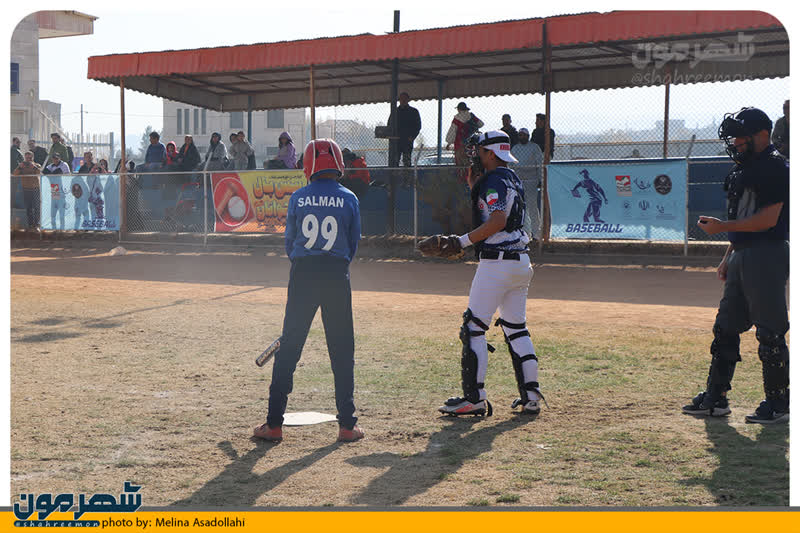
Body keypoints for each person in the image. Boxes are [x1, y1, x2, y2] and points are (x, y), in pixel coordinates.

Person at [253, 138, 364, 443]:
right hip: (336, 274)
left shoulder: (298, 197)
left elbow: (290, 242)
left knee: (289, 347)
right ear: (338, 164)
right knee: (342, 349)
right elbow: (353, 243)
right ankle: (347, 425)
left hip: (303, 273)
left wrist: (305, 264)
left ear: (308, 166)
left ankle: (273, 424)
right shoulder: (349, 198)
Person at [682, 107, 789, 424]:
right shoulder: (747, 167)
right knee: (726, 326)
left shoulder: (775, 167)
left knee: (769, 331)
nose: (736, 143)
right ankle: (716, 398)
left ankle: (779, 403)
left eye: (741, 136)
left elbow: (768, 220)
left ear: (762, 135)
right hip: (743, 252)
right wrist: (729, 255)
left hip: (767, 253)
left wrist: (722, 227)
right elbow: (745, 221)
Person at [436, 131, 543, 417]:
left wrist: (461, 242)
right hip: (520, 262)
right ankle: (531, 397)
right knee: (516, 329)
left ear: (492, 154)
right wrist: (475, 186)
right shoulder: (511, 178)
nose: (476, 155)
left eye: (481, 151)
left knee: (473, 328)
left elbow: (497, 220)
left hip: (497, 264)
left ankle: (474, 399)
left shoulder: (494, 180)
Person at [510, 128, 544, 239]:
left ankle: (536, 233)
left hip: (531, 181)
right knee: (520, 208)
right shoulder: (515, 149)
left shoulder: (534, 147)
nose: (522, 137)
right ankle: (525, 234)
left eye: (524, 135)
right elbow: (510, 165)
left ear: (528, 136)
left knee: (532, 207)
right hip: (519, 182)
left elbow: (540, 164)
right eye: (520, 135)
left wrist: (541, 179)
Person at [445, 102, 484, 171]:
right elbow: (481, 124)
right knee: (470, 161)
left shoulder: (457, 118)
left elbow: (452, 132)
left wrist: (449, 143)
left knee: (460, 164)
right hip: (471, 143)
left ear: (459, 109)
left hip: (459, 143)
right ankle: (471, 175)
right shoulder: (471, 116)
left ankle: (462, 176)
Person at [387, 91, 422, 167]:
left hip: (407, 140)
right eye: (401, 99)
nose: (403, 100)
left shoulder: (413, 112)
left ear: (408, 100)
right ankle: (394, 174)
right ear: (399, 100)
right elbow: (389, 124)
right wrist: (391, 137)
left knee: (407, 161)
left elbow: (418, 126)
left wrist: (412, 137)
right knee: (394, 161)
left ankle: (407, 174)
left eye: (405, 99)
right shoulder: (395, 112)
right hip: (396, 141)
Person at [12, 151, 42, 228]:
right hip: (26, 189)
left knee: (36, 207)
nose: (28, 160)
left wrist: (34, 167)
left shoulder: (37, 165)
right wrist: (19, 167)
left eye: (30, 158)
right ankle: (30, 224)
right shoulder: (22, 166)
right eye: (27, 158)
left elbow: (40, 173)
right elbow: (14, 174)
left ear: (33, 158)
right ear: (25, 158)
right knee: (28, 208)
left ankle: (37, 224)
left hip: (35, 189)